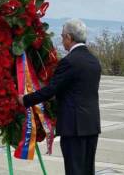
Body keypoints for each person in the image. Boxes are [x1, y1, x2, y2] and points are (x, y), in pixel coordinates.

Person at [18, 18, 101, 175]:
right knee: (87, 170)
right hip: (91, 125)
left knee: (74, 170)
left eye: (63, 36)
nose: (62, 40)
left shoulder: (70, 61)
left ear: (69, 37)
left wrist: (26, 100)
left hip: (74, 126)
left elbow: (51, 89)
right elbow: (77, 90)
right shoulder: (93, 60)